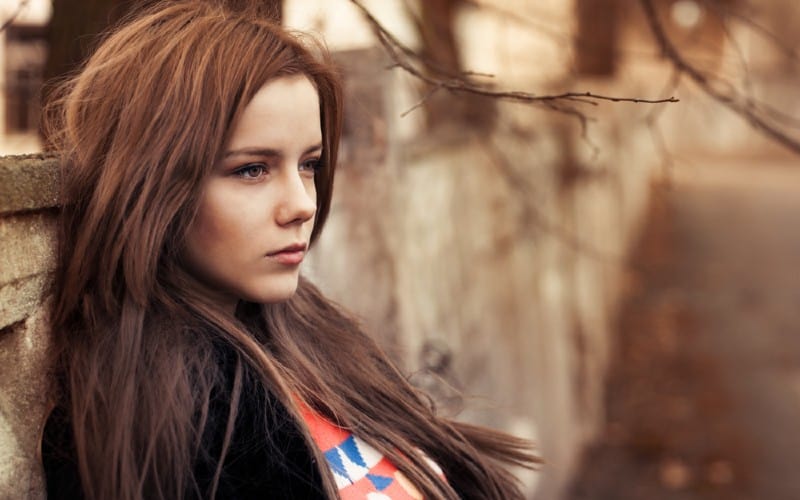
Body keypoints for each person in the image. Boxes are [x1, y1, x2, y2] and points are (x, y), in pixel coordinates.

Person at [40, 1, 539, 499]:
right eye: (252, 169)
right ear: (152, 186)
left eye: (309, 164)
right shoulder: (169, 425)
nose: (301, 205)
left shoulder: (311, 332)